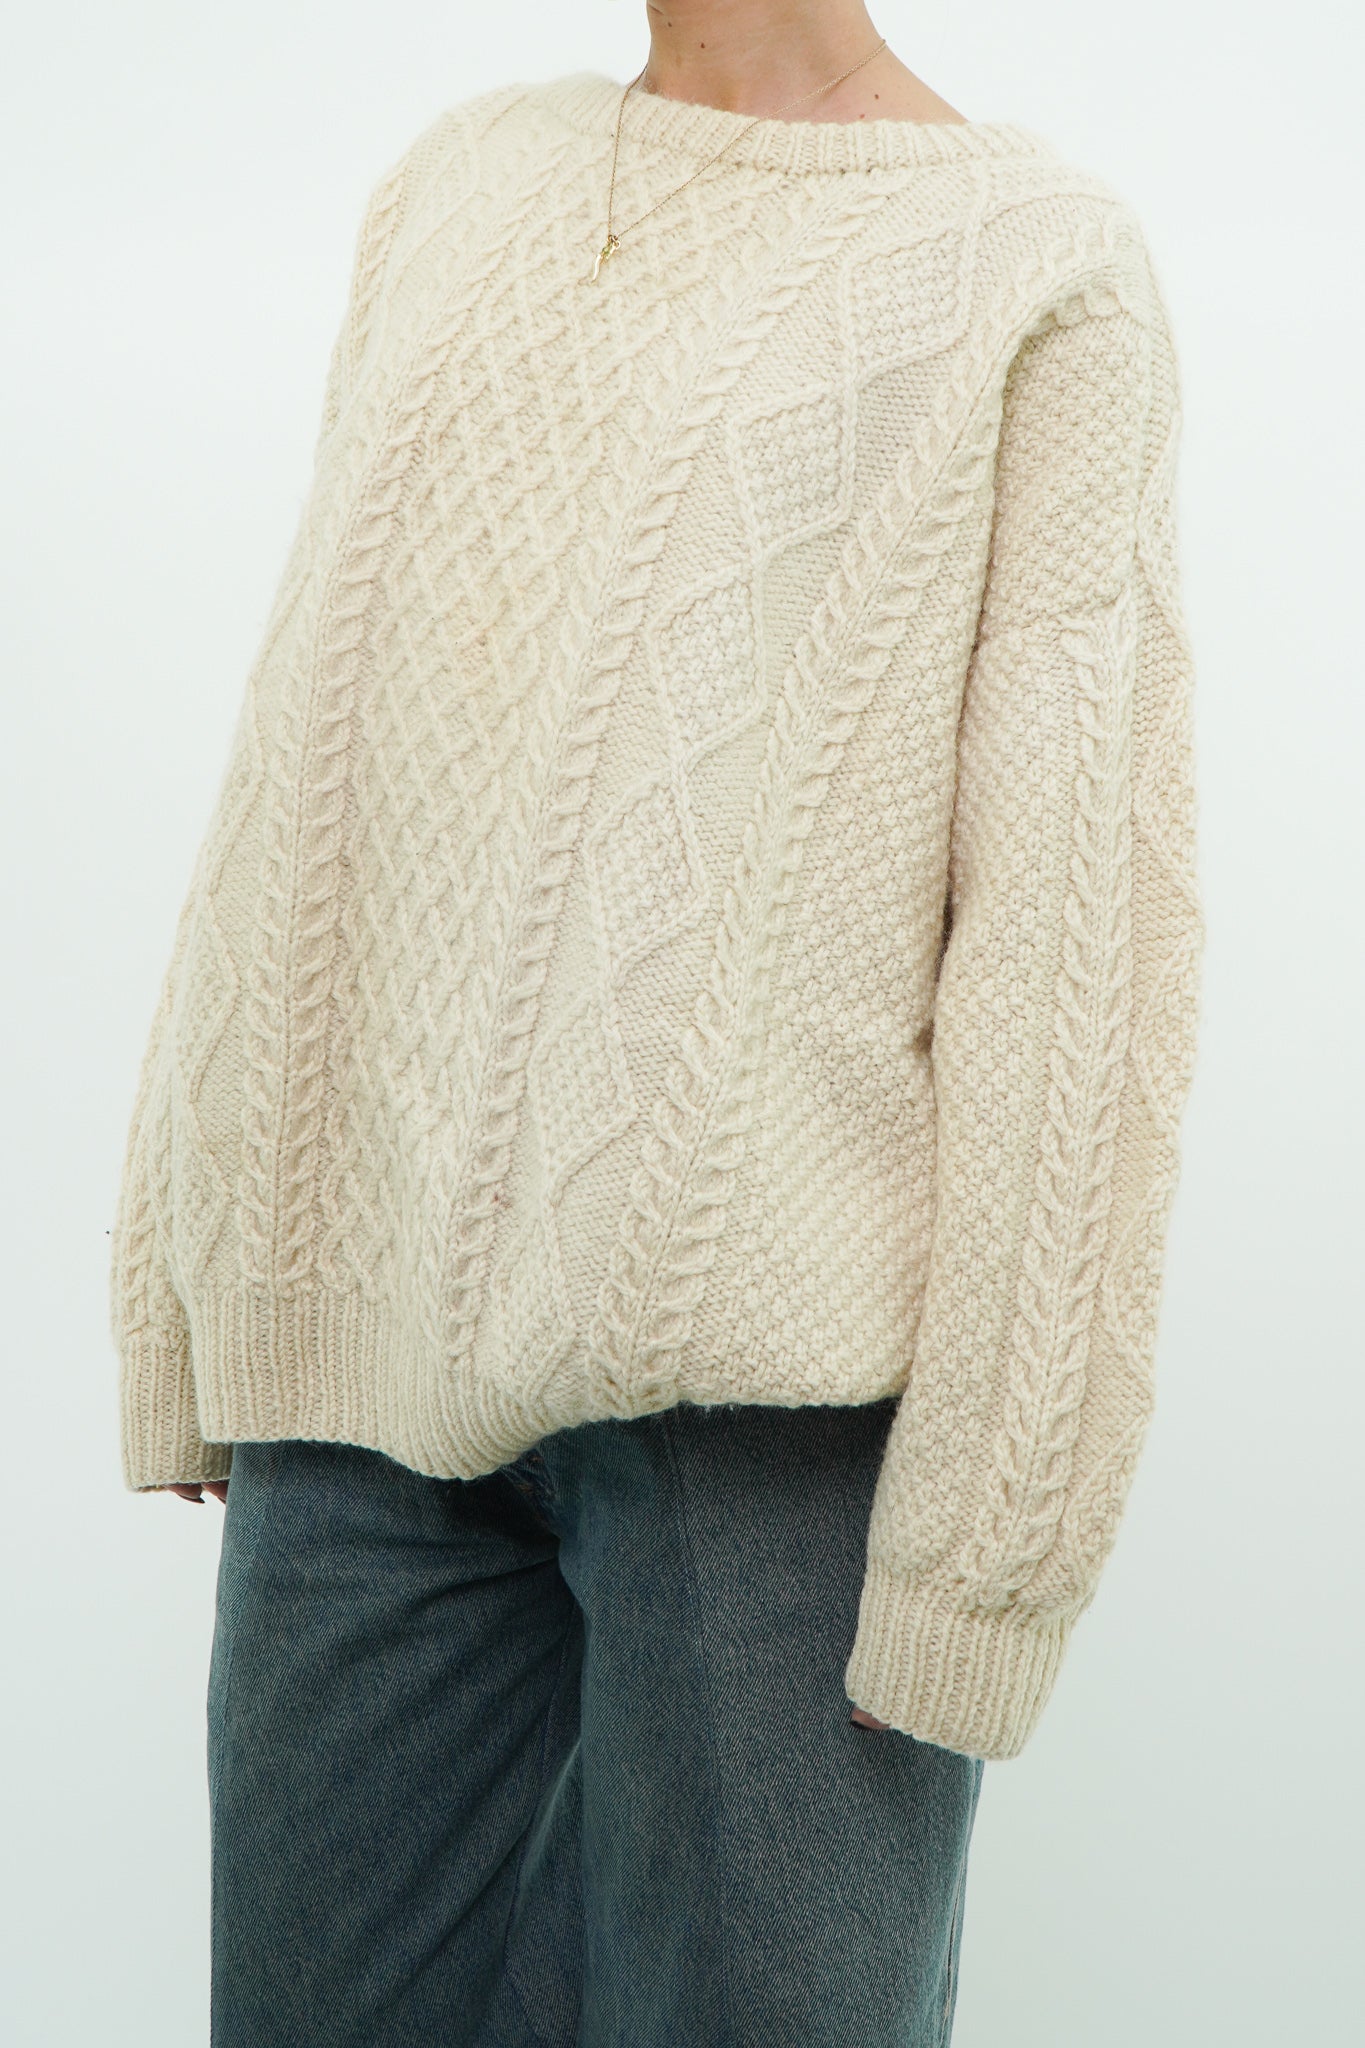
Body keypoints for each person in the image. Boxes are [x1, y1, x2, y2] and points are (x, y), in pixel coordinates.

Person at [108, 2, 1204, 2041]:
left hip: (764, 1463)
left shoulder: (1030, 265)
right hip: (357, 1410)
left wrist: (987, 1550)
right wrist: (188, 1290)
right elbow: (305, 755)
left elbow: (1069, 956)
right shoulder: (459, 181)